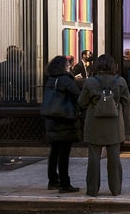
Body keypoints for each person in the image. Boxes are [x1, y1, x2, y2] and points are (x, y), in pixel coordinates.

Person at [77, 53, 130, 197]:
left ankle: (92, 190)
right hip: (115, 123)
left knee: (94, 157)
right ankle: (116, 189)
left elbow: (81, 102)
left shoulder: (90, 82)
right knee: (114, 158)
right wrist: (127, 123)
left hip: (94, 123)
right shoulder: (121, 81)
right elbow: (127, 103)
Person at [41, 55, 80, 193]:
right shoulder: (65, 79)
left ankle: (53, 180)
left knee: (54, 152)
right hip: (64, 120)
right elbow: (78, 95)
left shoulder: (51, 79)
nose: (69, 66)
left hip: (51, 119)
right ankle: (65, 183)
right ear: (63, 66)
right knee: (64, 154)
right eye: (68, 65)